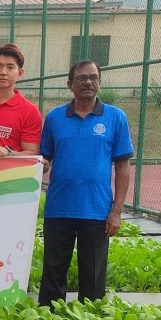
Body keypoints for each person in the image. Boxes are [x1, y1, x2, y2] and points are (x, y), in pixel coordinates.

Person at [37, 60, 133, 307]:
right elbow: (44, 157)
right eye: (81, 78)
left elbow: (123, 167)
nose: (88, 82)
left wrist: (116, 211)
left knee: (93, 277)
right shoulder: (55, 118)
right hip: (59, 208)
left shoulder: (115, 117)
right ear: (70, 85)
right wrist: (43, 165)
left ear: (99, 83)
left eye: (93, 77)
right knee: (53, 274)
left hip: (97, 211)